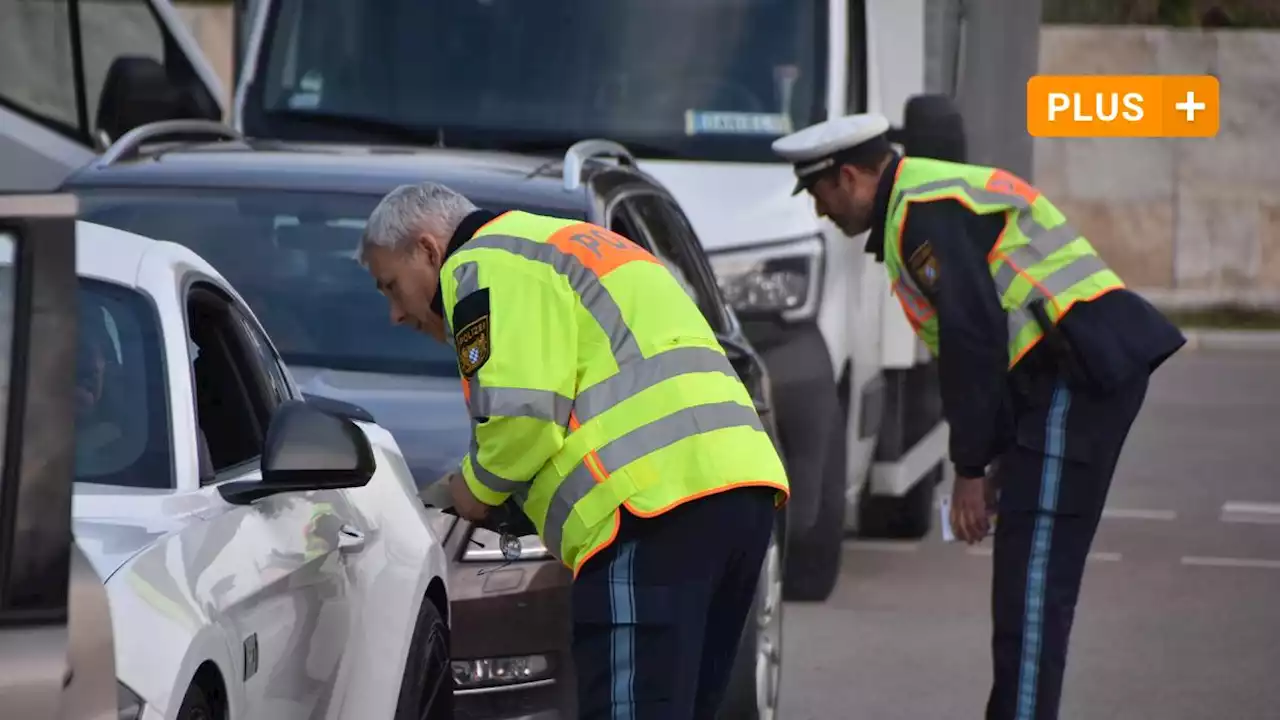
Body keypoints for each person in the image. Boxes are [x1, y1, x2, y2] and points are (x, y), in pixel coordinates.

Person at [772, 114, 1185, 720]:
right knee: (1024, 579)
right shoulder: (919, 205)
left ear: (851, 177)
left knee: (1033, 582)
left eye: (819, 194)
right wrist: (996, 454)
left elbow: (974, 339)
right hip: (1057, 376)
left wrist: (968, 468)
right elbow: (992, 339)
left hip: (1075, 371)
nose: (819, 212)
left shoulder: (922, 213)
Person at [357, 182, 790, 719]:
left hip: (650, 512)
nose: (397, 313)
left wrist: (471, 490)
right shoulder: (574, 244)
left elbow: (522, 423)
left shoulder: (481, 263)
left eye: (392, 287)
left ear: (427, 249)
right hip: (739, 492)